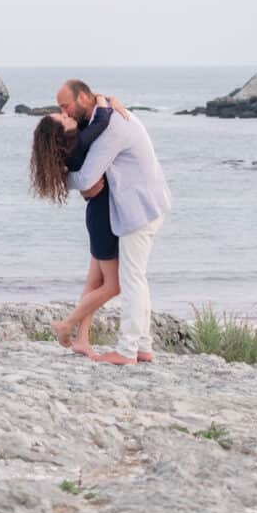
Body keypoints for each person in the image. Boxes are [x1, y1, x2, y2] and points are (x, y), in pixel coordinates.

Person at [56, 78, 171, 366]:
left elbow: (86, 178)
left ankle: (127, 350)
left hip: (138, 209)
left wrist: (55, 181)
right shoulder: (101, 117)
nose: (65, 113)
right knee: (136, 278)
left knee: (131, 280)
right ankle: (142, 346)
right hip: (143, 206)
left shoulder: (112, 128)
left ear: (83, 98)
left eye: (65, 106)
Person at [30, 94, 127, 357]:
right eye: (63, 117)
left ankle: (82, 339)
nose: (68, 115)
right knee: (113, 285)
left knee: (94, 281)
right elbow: (101, 122)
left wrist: (110, 101)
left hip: (98, 214)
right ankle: (67, 324)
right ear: (60, 135)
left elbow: (91, 124)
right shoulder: (80, 145)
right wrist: (103, 100)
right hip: (103, 218)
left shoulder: (75, 148)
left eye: (63, 112)